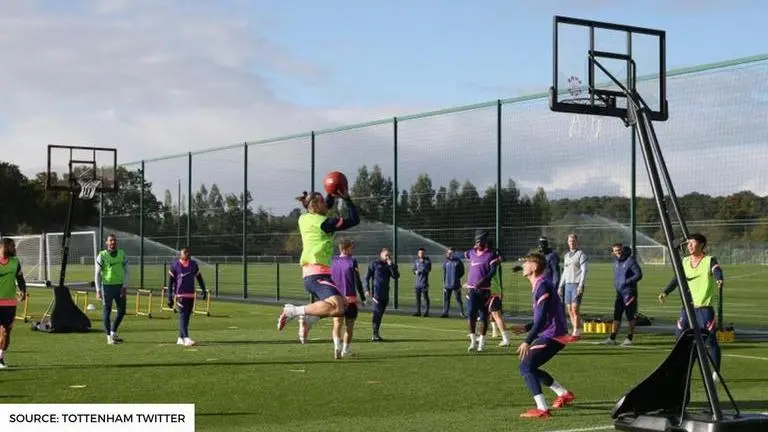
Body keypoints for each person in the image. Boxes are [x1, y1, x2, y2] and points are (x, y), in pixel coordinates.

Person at [277, 189, 360, 332]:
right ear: (314, 205)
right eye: (321, 201)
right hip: (317, 274)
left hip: (314, 274)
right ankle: (294, 311)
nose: (326, 204)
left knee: (344, 305)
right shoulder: (325, 223)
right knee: (338, 306)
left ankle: (309, 319)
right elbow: (354, 220)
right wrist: (347, 199)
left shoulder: (303, 218)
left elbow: (325, 205)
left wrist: (331, 192)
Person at [510, 252, 574, 419]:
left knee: (525, 367)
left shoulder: (542, 285)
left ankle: (542, 409)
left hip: (553, 335)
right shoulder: (540, 284)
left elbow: (542, 319)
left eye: (526, 262)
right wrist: (526, 327)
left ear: (535, 267)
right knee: (531, 367)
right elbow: (543, 317)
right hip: (553, 333)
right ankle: (564, 394)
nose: (523, 265)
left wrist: (527, 341)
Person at [658, 233, 723, 377]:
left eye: (692, 243)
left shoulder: (709, 260)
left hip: (704, 308)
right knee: (679, 338)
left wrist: (719, 279)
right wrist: (665, 292)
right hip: (687, 308)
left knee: (710, 340)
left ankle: (715, 371)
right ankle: (679, 369)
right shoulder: (685, 261)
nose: (689, 246)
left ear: (701, 245)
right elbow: (677, 279)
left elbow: (716, 270)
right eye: (688, 244)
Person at [463, 230, 501, 352]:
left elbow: (493, 270)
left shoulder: (491, 254)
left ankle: (482, 343)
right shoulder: (472, 253)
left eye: (479, 242)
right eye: (476, 242)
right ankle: (473, 342)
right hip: (472, 289)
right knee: (471, 314)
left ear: (485, 242)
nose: (477, 244)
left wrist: (484, 280)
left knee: (484, 316)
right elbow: (465, 254)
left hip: (485, 290)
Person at [599, 243, 642, 346]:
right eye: (615, 250)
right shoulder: (616, 262)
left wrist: (627, 281)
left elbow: (639, 275)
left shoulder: (630, 260)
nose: (618, 252)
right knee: (617, 315)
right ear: (613, 252)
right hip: (619, 293)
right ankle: (612, 338)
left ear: (622, 249)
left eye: (619, 250)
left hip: (629, 292)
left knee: (630, 315)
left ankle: (629, 339)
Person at [330, 239, 366, 359]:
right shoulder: (352, 261)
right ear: (345, 249)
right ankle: (345, 350)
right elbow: (358, 281)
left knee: (336, 324)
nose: (352, 250)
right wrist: (362, 297)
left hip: (336, 299)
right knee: (349, 326)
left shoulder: (333, 261)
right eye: (351, 248)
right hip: (350, 299)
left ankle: (336, 347)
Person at [167, 247, 208, 347]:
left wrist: (203, 290)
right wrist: (169, 296)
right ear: (180, 255)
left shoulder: (193, 264)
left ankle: (180, 338)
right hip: (180, 294)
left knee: (187, 316)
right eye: (184, 252)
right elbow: (170, 281)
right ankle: (186, 338)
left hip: (191, 294)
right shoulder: (175, 265)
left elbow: (199, 277)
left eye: (188, 252)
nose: (187, 254)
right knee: (183, 315)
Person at [95, 233, 129, 345]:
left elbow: (127, 271)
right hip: (107, 287)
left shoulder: (122, 254)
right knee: (107, 311)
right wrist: (98, 290)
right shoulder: (102, 255)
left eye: (114, 240)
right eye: (110, 240)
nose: (113, 242)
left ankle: (113, 332)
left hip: (119, 287)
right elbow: (97, 274)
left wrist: (124, 286)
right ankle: (109, 337)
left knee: (122, 311)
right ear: (107, 242)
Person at [0, 238, 27, 368]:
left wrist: (23, 291)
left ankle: (1, 357)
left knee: (7, 331)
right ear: (4, 247)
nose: (14, 248)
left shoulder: (15, 262)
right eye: (11, 246)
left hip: (10, 303)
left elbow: (20, 279)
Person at [365, 247, 399, 341]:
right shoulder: (374, 264)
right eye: (386, 255)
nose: (388, 257)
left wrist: (391, 265)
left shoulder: (391, 265)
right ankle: (375, 334)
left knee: (380, 314)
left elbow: (396, 276)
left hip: (385, 293)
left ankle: (376, 333)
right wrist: (367, 289)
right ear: (381, 254)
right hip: (376, 293)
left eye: (389, 255)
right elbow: (367, 277)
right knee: (377, 313)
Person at [558, 234, 588, 339]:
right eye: (570, 241)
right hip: (568, 285)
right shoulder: (566, 256)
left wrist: (581, 284)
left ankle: (576, 332)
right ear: (567, 242)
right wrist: (560, 286)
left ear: (577, 242)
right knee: (569, 309)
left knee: (575, 309)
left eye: (574, 241)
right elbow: (565, 272)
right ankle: (575, 329)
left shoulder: (581, 254)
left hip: (576, 284)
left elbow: (584, 271)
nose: (572, 242)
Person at [441, 248, 465, 318]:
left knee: (458, 299)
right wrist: (444, 283)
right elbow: (444, 273)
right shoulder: (446, 262)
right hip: (447, 285)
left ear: (454, 253)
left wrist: (456, 278)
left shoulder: (458, 261)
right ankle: (445, 313)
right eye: (448, 253)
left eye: (451, 253)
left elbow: (462, 272)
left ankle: (462, 313)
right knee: (446, 300)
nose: (449, 254)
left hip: (456, 284)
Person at [412, 248, 432, 317]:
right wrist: (415, 272)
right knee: (418, 298)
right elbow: (413, 270)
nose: (421, 254)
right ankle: (418, 312)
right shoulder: (416, 261)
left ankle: (426, 312)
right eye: (420, 253)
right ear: (418, 254)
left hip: (424, 283)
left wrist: (422, 264)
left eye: (422, 253)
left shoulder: (427, 261)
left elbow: (428, 269)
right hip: (417, 283)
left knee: (425, 297)